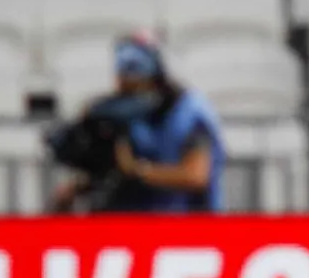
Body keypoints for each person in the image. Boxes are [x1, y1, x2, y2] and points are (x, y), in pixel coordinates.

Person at [52, 32, 227, 213]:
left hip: (186, 221)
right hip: (132, 216)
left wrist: (137, 170)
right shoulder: (123, 114)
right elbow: (113, 169)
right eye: (122, 78)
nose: (124, 88)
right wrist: (79, 186)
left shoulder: (190, 112)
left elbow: (196, 175)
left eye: (135, 81)